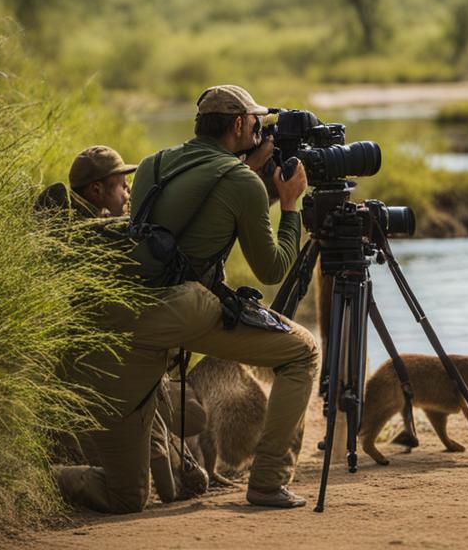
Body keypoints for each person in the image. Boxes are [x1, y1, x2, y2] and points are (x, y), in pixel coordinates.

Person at [54, 85, 319, 513]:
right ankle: (269, 482)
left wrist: (249, 171)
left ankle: (33, 479)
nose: (259, 129)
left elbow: (180, 224)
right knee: (302, 351)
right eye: (255, 122)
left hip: (124, 317)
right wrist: (289, 206)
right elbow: (272, 268)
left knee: (125, 497)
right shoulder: (240, 183)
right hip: (181, 312)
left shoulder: (154, 165)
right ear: (238, 125)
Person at [39, 145, 209, 504]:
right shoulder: (89, 240)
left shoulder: (103, 232)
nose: (129, 194)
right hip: (98, 381)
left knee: (190, 415)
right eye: (122, 186)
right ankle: (41, 478)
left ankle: (173, 470)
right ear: (97, 191)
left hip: (117, 376)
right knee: (130, 495)